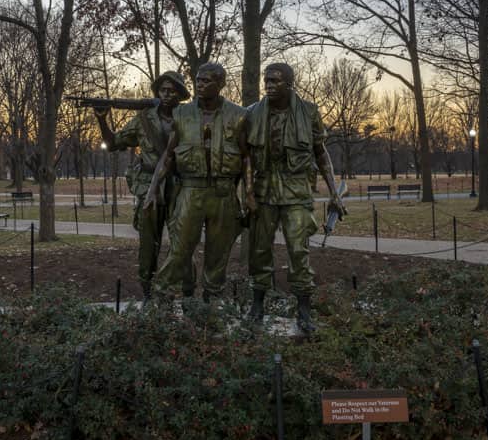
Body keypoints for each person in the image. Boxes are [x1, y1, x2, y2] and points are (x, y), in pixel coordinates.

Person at [242, 62, 346, 333]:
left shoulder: (308, 112)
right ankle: (257, 306)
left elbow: (321, 153)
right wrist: (248, 191)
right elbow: (246, 157)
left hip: (296, 189)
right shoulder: (253, 113)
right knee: (260, 250)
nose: (269, 86)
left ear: (289, 84)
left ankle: (304, 310)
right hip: (265, 190)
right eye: (266, 81)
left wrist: (334, 192)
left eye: (275, 81)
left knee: (299, 251)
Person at [144, 62, 248, 304]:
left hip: (224, 193)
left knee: (218, 254)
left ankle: (211, 306)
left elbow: (246, 159)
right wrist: (152, 190)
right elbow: (168, 156)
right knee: (179, 250)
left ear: (220, 84)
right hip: (191, 191)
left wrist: (248, 194)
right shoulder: (181, 114)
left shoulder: (239, 115)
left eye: (207, 80)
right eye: (198, 80)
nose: (200, 85)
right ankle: (160, 298)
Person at [94, 72, 194, 300]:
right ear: (157, 93)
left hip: (181, 186)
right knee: (148, 245)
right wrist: (102, 119)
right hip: (150, 187)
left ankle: (187, 295)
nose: (167, 94)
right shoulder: (143, 120)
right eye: (163, 90)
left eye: (172, 90)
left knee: (184, 243)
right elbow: (112, 144)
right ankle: (148, 294)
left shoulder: (188, 117)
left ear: (180, 94)